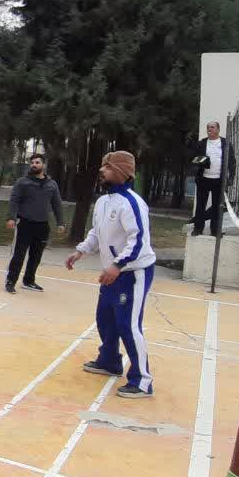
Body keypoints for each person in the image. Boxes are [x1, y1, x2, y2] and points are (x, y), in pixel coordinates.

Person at [65, 150, 156, 399]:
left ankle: (142, 381)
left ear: (121, 172)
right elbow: (97, 232)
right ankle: (109, 361)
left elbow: (138, 241)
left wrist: (117, 266)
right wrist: (80, 251)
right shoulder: (104, 202)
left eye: (107, 167)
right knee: (105, 318)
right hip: (111, 272)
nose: (101, 171)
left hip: (133, 272)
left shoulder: (132, 203)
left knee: (128, 324)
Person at [4, 153, 66, 294]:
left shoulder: (52, 184)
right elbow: (14, 200)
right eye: (32, 163)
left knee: (36, 256)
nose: (34, 165)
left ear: (43, 165)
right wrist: (11, 218)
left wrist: (60, 222)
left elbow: (57, 204)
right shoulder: (22, 182)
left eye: (37, 162)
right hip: (25, 224)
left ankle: (28, 281)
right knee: (19, 255)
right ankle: (10, 281)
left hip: (42, 226)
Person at [190, 121, 235, 236]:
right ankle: (198, 228)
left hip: (219, 180)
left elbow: (232, 161)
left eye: (212, 127)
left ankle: (215, 230)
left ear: (218, 129)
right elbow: (193, 159)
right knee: (200, 205)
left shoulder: (225, 143)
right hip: (203, 179)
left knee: (217, 206)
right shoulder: (202, 143)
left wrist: (231, 177)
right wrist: (202, 161)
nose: (209, 129)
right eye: (208, 127)